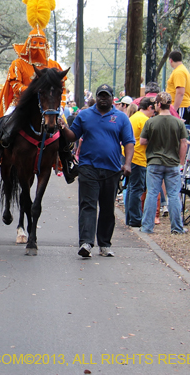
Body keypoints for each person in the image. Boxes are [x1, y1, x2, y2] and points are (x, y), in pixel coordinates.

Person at [0, 0, 71, 182]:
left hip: (49, 106)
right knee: (6, 125)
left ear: (46, 45)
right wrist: (33, 90)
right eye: (34, 43)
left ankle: (67, 160)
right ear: (28, 44)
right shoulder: (18, 64)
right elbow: (15, 88)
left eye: (41, 43)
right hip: (21, 103)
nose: (38, 47)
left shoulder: (54, 66)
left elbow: (61, 89)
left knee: (65, 130)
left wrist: (58, 102)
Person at [59, 84, 134, 258]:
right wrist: (63, 128)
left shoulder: (121, 118)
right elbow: (73, 136)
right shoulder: (85, 115)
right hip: (88, 167)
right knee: (88, 205)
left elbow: (129, 142)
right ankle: (86, 243)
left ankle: (105, 244)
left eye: (106, 96)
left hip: (112, 169)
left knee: (107, 208)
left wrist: (128, 164)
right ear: (97, 97)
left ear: (112, 98)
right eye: (100, 95)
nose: (103, 98)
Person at [139, 92, 189, 235]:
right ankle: (177, 227)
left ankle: (147, 226)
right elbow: (183, 143)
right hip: (172, 163)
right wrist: (181, 161)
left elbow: (142, 141)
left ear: (159, 105)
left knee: (152, 194)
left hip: (154, 162)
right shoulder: (178, 122)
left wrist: (153, 141)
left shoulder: (151, 122)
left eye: (155, 103)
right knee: (173, 195)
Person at [126, 97, 155, 228]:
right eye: (154, 108)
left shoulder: (135, 117)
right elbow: (145, 139)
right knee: (137, 189)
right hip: (138, 157)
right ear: (149, 107)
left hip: (131, 155)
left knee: (132, 188)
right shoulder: (144, 120)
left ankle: (130, 216)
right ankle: (135, 218)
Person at [166, 50, 190, 122]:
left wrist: (174, 110)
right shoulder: (181, 70)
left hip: (181, 106)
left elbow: (180, 92)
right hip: (181, 105)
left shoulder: (179, 72)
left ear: (170, 60)